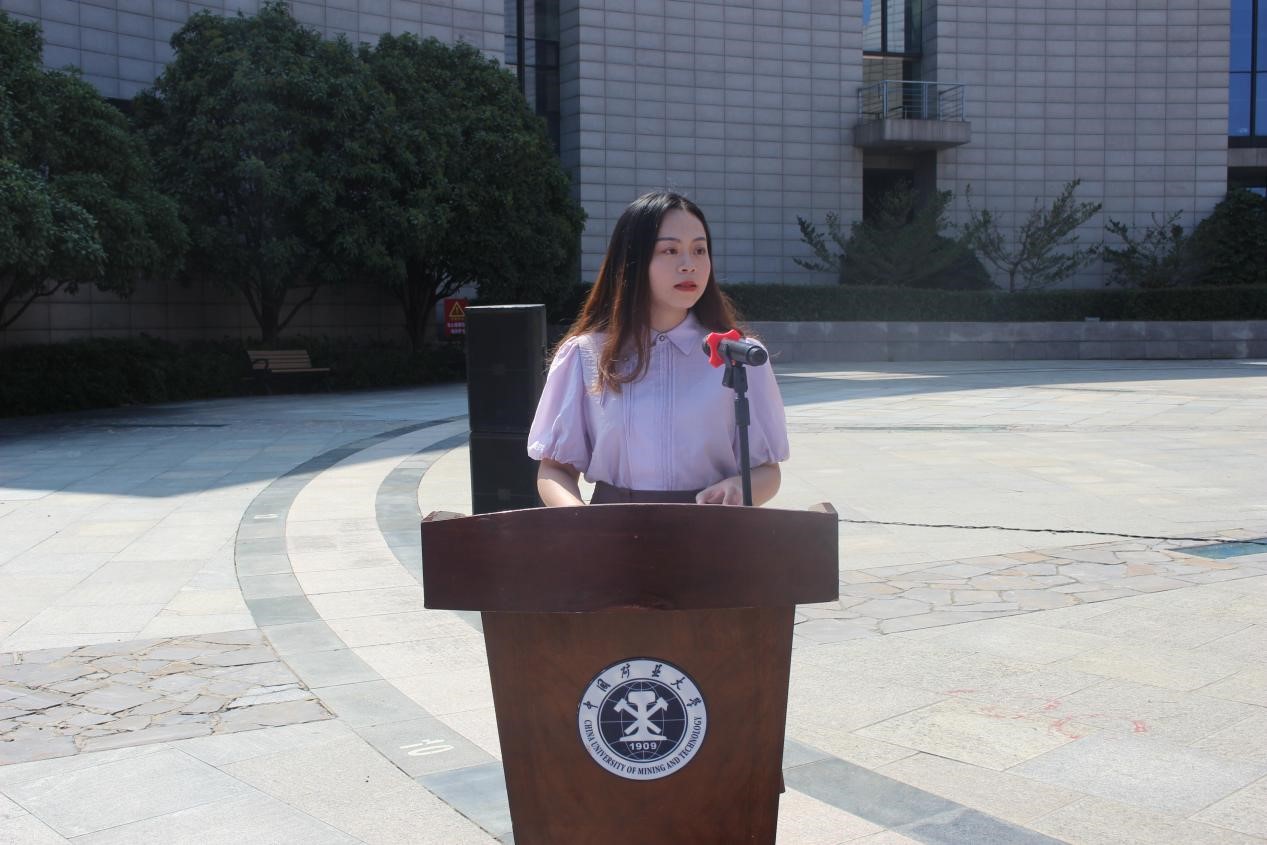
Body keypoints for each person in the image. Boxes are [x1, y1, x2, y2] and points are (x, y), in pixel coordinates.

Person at [527, 190, 789, 507]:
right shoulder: (584, 354)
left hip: (710, 528)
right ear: (632, 261)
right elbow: (554, 469)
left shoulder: (739, 356)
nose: (689, 265)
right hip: (612, 528)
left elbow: (767, 470)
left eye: (700, 250)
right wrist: (579, 519)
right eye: (670, 250)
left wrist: (738, 488)